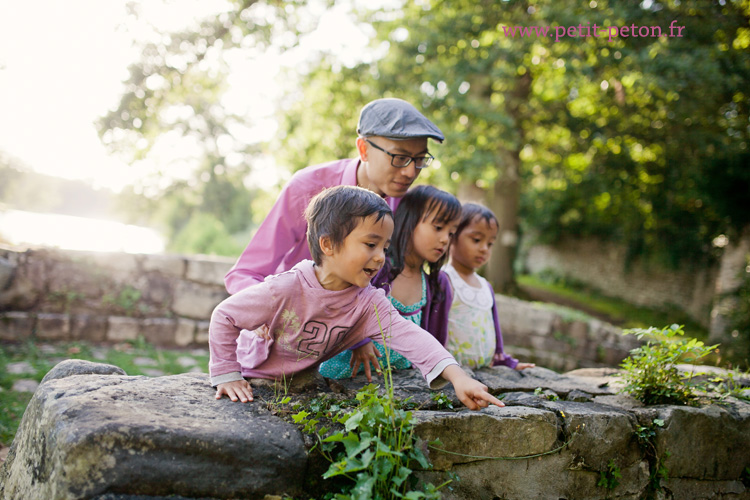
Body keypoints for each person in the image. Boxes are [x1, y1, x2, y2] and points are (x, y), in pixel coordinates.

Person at [209, 186, 504, 411]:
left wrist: (458, 378)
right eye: (370, 244)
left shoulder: (367, 302)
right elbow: (225, 316)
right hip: (254, 377)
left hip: (302, 383)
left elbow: (412, 336)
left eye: (385, 247)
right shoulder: (284, 289)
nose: (380, 258)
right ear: (328, 244)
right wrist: (227, 374)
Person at [224, 98, 445, 294]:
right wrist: (274, 313)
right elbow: (244, 274)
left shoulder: (409, 205)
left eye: (419, 160)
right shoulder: (308, 188)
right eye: (400, 157)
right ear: (364, 149)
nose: (410, 172)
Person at [318, 185, 460, 380]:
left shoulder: (437, 285)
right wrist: (359, 342)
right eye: (438, 228)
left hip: (396, 382)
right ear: (409, 221)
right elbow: (340, 302)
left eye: (451, 233)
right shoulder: (376, 268)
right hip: (340, 374)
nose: (445, 239)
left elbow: (435, 341)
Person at [444, 203, 535, 370]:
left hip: (485, 373)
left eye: (490, 243)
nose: (484, 249)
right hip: (454, 374)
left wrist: (506, 361)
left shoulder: (485, 286)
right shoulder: (445, 280)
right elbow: (433, 331)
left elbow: (495, 332)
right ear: (452, 236)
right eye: (476, 240)